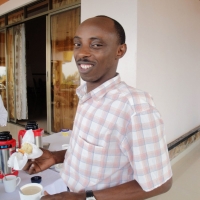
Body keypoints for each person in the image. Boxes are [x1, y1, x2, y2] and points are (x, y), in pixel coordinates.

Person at [23, 15, 172, 200]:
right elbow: (92, 152)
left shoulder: (135, 108)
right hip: (68, 188)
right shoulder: (85, 95)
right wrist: (56, 156)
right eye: (78, 44)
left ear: (120, 50)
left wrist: (83, 198)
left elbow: (160, 183)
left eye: (96, 45)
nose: (82, 53)